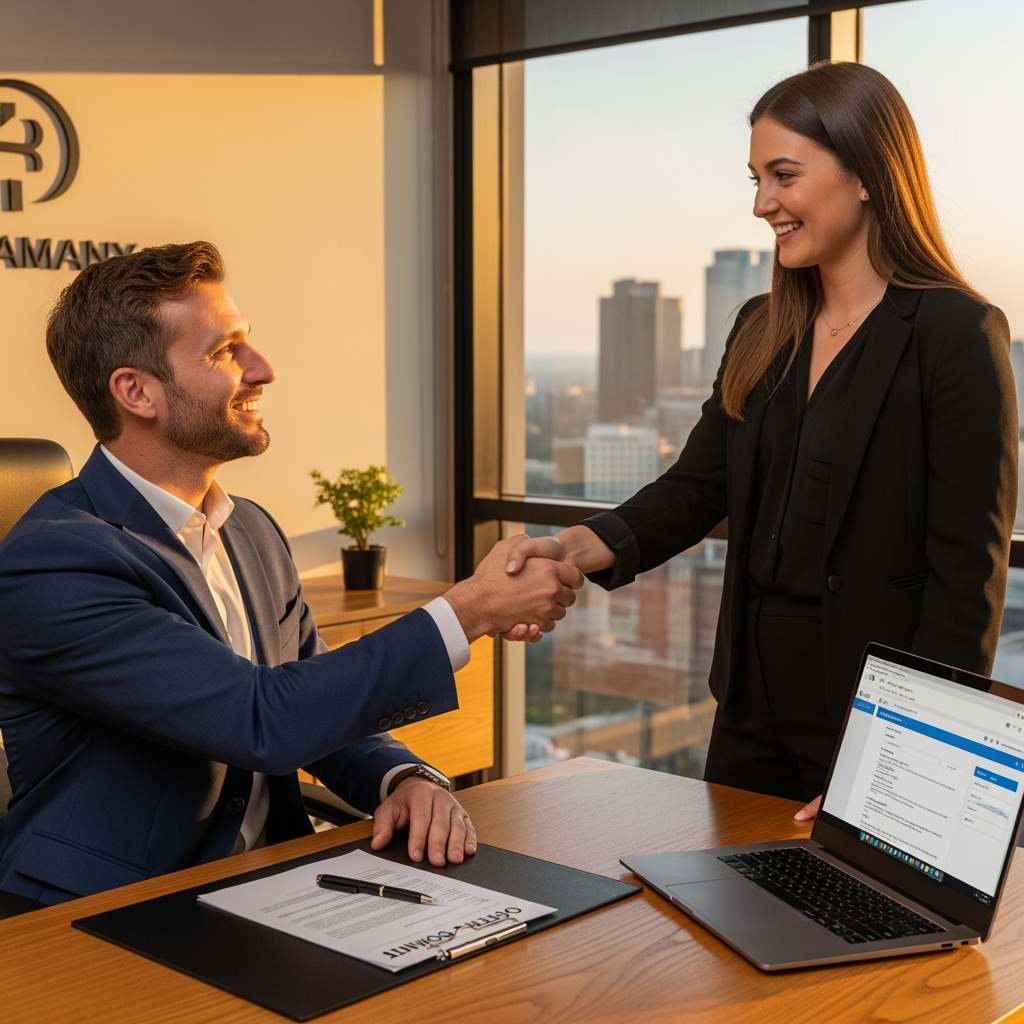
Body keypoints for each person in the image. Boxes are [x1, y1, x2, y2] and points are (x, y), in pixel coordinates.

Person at [502, 61, 1017, 819]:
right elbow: (697, 486)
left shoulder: (954, 334)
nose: (761, 204)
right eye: (755, 178)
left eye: (783, 176)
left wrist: (905, 759)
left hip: (869, 711)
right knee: (725, 914)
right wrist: (574, 547)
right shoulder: (762, 326)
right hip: (748, 701)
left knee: (864, 928)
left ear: (868, 174)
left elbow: (966, 578)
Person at [0, 241, 582, 905]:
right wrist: (469, 610)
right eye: (226, 352)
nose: (264, 369)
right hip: (108, 912)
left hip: (260, 888)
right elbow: (263, 719)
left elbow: (316, 700)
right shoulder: (53, 564)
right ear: (136, 392)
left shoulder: (249, 529)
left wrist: (402, 778)